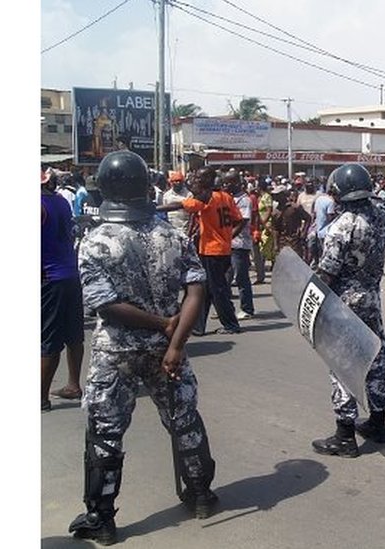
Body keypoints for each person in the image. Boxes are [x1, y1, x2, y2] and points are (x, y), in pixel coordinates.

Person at [69, 151, 217, 545]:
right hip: (169, 350)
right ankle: (201, 494)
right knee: (184, 419)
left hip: (116, 352)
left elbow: (106, 305)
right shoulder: (170, 234)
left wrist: (161, 326)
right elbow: (197, 290)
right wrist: (174, 338)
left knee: (105, 432)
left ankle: (101, 519)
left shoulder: (95, 240)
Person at [311, 164, 385, 456]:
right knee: (376, 357)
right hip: (372, 298)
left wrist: (311, 304)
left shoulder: (342, 226)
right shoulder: (384, 219)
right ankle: (378, 422)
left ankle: (345, 436)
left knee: (343, 364)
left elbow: (327, 273)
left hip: (344, 304)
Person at [160, 167, 245, 335]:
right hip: (221, 249)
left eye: (201, 177)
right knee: (205, 289)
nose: (197, 180)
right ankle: (198, 326)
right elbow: (239, 221)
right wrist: (228, 237)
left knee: (217, 290)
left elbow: (180, 205)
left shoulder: (207, 198)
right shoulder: (226, 197)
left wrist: (154, 209)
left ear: (209, 179)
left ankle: (231, 324)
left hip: (212, 250)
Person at [42, 169, 84, 411]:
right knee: (73, 335)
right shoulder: (60, 202)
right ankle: (72, 385)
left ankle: (41, 398)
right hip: (70, 274)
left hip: (49, 278)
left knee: (49, 339)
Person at [224, 172, 255, 319]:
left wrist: (229, 236)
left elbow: (242, 221)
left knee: (241, 277)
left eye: (229, 182)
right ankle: (225, 308)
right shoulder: (228, 198)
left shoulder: (244, 200)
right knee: (225, 277)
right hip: (227, 244)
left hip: (239, 244)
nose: (226, 185)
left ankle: (247, 309)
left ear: (236, 182)